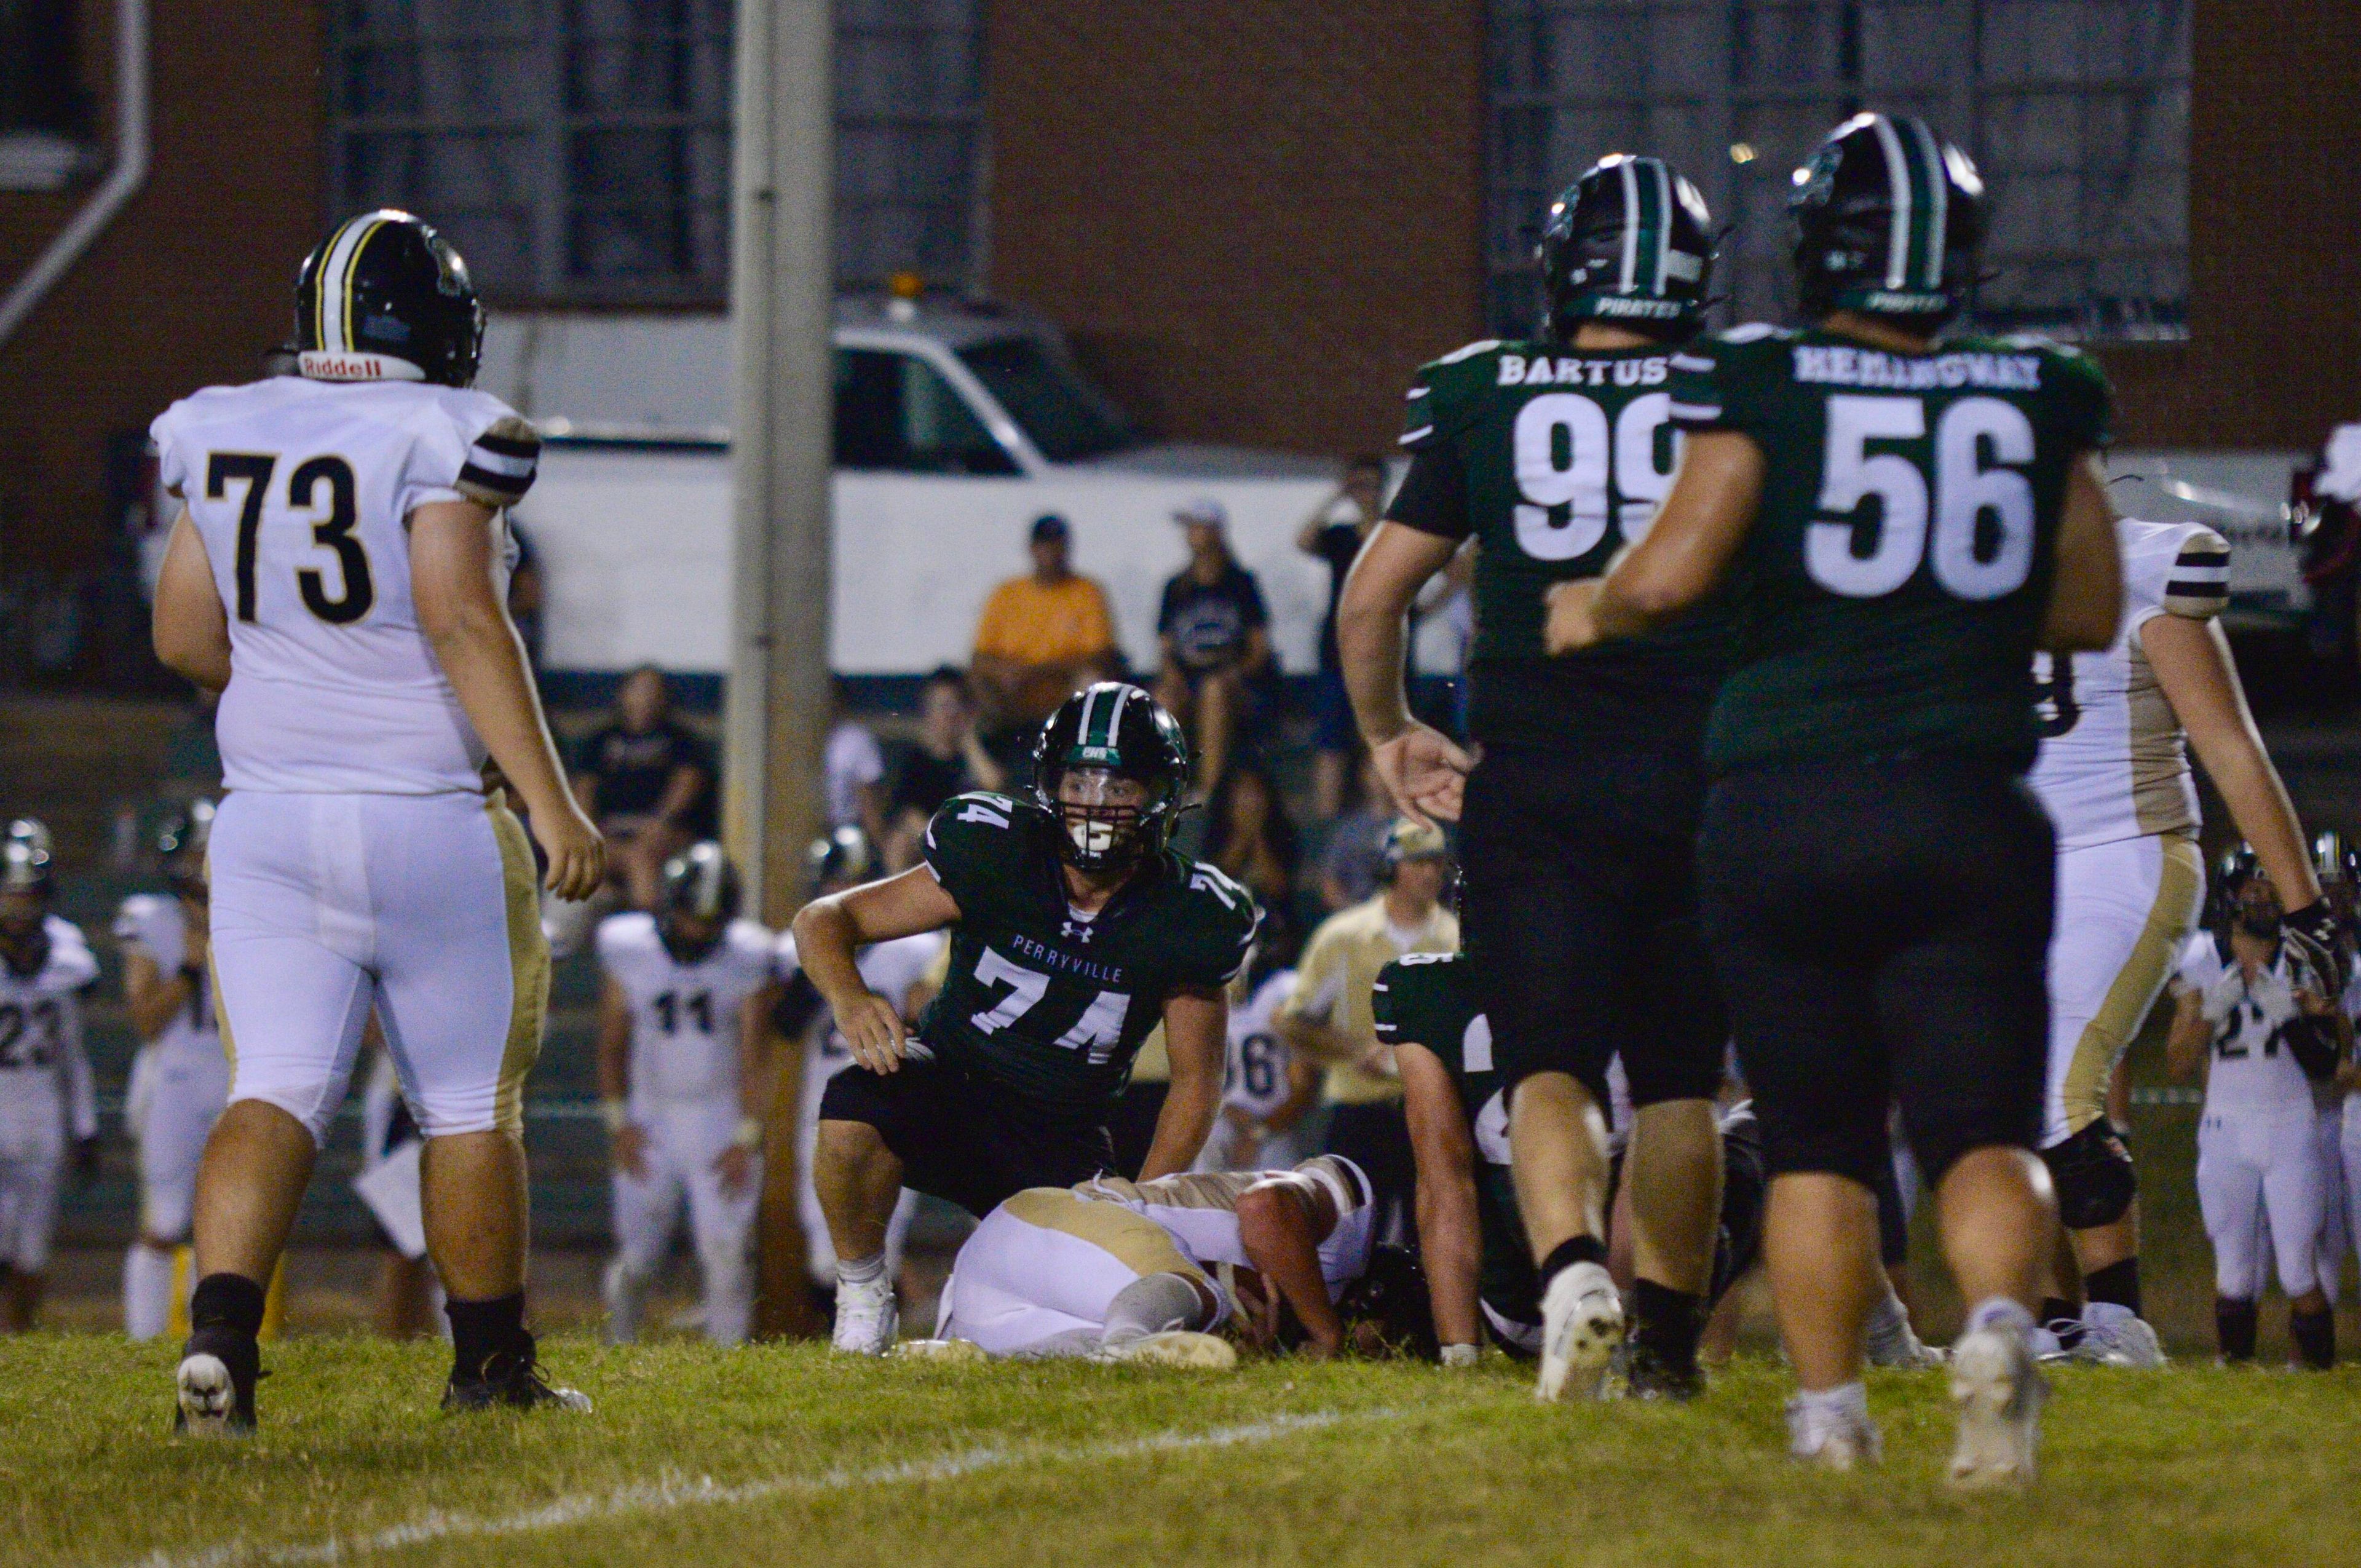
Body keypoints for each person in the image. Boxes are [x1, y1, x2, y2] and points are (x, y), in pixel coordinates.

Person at [1544, 114, 2137, 1479]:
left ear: (1826, 245)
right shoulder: (2041, 384)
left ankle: (1831, 1420)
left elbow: (1673, 573)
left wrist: (1595, 608)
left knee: (1816, 1139)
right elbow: (2092, 606)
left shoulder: (1765, 374)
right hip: (1968, 804)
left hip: (1787, 803)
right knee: (1984, 1126)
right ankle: (1996, 1323)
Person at [149, 210, 604, 1430]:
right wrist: (554, 801)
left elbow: (184, 635)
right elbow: (461, 616)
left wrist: (302, 711)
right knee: (467, 1104)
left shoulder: (224, 424)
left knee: (277, 1086)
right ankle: (489, 1369)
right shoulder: (450, 429)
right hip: (426, 822)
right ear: (437, 328)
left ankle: (220, 1348)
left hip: (266, 823)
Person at [1339, 156, 1734, 1405]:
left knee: (1546, 1058)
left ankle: (1571, 1278)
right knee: (1679, 1078)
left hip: (1540, 771)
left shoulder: (1483, 386)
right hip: (1702, 771)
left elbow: (1373, 594)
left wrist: (1387, 728)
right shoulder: (1744, 387)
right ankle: (1665, 1346)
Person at [794, 683, 1256, 1354]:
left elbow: (1195, 1083)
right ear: (1048, 783)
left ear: (1160, 796)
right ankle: (865, 1295)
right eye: (1079, 780)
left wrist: (1144, 1197)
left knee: (1089, 1301)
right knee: (850, 1109)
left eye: (1119, 786)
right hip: (950, 1081)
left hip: (1058, 1130)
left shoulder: (1189, 913)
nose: (1096, 805)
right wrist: (852, 997)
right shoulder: (998, 850)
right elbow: (824, 919)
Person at [2024, 512, 2327, 1367]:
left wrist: (2304, 907)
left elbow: (2231, 748)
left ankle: (2121, 1322)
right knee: (1999, 1098)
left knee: (2059, 1086)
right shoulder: (1955, 549)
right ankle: (2053, 1321)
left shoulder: (2146, 563)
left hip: (2124, 852)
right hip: (2003, 862)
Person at [1378, 949, 1787, 1371]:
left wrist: (1459, 1352)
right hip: (1638, 1270)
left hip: (1516, 1309)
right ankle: (1642, 1329)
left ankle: (1494, 1337)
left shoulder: (1426, 989)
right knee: (1719, 1143)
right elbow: (1652, 1154)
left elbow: (1443, 1183)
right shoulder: (1640, 969)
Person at [912, 1155, 1400, 1364]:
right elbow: (1266, 1208)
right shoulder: (1351, 1226)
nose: (1378, 1352)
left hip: (1001, 1299)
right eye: (1390, 1342)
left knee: (1133, 1351)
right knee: (1197, 1299)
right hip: (1050, 1222)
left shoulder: (1286, 1327)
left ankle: (957, 1356)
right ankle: (1128, 1345)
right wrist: (1327, 1332)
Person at [594, 844, 779, 1347]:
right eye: (690, 918)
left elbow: (754, 1054)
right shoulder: (629, 947)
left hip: (718, 1118)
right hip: (650, 1116)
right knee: (636, 1257)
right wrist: (618, 1123)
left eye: (709, 921)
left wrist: (746, 1135)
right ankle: (618, 1350)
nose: (698, 931)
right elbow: (611, 1044)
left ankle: (729, 1362)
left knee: (726, 1254)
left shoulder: (746, 955)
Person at [2168, 854, 2347, 1369]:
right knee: (2233, 1275)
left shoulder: (2306, 956)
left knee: (2297, 1272)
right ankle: (2235, 1378)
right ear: (2230, 898)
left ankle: (2315, 1379)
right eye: (2253, 891)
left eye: (2270, 891)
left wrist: (2302, 1012)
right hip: (2224, 1128)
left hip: (2292, 1125)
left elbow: (2330, 1056)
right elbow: (2179, 1062)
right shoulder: (2202, 956)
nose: (2264, 901)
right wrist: (2215, 1004)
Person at [775, 826, 941, 1299]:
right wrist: (820, 970)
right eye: (832, 885)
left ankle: (880, 1332)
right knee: (823, 1241)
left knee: (882, 1235)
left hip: (892, 1100)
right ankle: (848, 1338)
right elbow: (784, 1025)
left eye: (853, 884)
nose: (841, 895)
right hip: (824, 1106)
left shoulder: (914, 950)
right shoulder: (796, 951)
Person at [1276, 820, 1458, 1246]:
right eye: (1417, 864)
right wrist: (1359, 1049)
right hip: (1361, 1109)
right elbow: (1294, 1019)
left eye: (1435, 864)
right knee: (1351, 1239)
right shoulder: (1343, 937)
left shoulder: (1455, 938)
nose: (1429, 874)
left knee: (1434, 1237)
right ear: (1391, 868)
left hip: (1433, 1108)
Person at [117, 802, 231, 1342]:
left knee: (223, 1225)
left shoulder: (252, 912)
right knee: (164, 1221)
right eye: (195, 856)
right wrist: (190, 966)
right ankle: (142, 1341)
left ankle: (205, 1338)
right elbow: (146, 1021)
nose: (203, 867)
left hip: (235, 1079)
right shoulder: (152, 918)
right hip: (174, 1082)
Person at [0, 826, 98, 1333]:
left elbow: (73, 1058)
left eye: (27, 897)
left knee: (32, 1257)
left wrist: (84, 1126)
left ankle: (20, 1348)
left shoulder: (63, 956)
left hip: (42, 1120)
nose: (19, 909)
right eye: (11, 896)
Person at [970, 515, 1122, 762]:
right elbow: (980, 657)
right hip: (1015, 694)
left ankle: (1083, 759)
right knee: (980, 681)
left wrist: (1039, 672)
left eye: (1057, 544)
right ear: (1032, 548)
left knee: (1092, 680)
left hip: (1062, 691)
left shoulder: (1087, 592)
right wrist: (1008, 672)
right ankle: (998, 762)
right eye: (1044, 544)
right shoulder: (1006, 593)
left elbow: (1102, 654)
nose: (1051, 552)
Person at [1155, 499, 1274, 799]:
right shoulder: (1176, 586)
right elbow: (1166, 646)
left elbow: (1259, 647)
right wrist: (1172, 678)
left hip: (1235, 680)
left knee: (1214, 690)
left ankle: (1210, 792)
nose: (1190, 534)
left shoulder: (1241, 583)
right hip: (1189, 675)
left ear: (1215, 532)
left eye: (1197, 527)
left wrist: (1236, 673)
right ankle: (1167, 791)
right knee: (1162, 699)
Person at [574, 665, 716, 912]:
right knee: (582, 860)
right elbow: (584, 789)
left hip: (664, 832)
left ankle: (647, 924)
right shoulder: (601, 740)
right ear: (623, 695)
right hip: (608, 833)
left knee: (641, 857)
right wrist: (587, 832)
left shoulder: (682, 740)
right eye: (638, 690)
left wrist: (660, 821)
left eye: (653, 691)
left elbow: (688, 783)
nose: (646, 698)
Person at [1300, 456, 1389, 820]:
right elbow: (1304, 541)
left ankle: (1384, 815)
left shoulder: (1396, 536)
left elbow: (1455, 569)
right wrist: (1336, 495)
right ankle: (1328, 818)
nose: (1365, 494)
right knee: (1332, 740)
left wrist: (1425, 610)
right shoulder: (1341, 536)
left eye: (1371, 485)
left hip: (1387, 651)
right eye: (1359, 486)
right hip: (1340, 650)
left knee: (1381, 737)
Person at [1197, 956, 1317, 1173]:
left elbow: (1304, 1087)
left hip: (1276, 1132)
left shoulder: (1284, 990)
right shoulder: (1211, 991)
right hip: (1221, 1125)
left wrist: (1257, 1131)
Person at [884, 667, 1006, 870]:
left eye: (956, 706)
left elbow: (996, 787)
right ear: (929, 713)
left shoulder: (978, 753)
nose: (950, 715)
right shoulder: (917, 760)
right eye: (943, 707)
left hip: (972, 838)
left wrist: (968, 740)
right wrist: (939, 840)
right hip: (932, 838)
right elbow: (909, 813)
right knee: (899, 843)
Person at [1201, 765, 1299, 952]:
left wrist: (1257, 835)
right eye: (1242, 794)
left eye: (1255, 793)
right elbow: (1217, 881)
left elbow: (1279, 888)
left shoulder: (1283, 833)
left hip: (1274, 929)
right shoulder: (1216, 833)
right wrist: (1242, 836)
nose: (1249, 801)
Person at [1318, 754, 1393, 912]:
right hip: (1358, 918)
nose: (1381, 777)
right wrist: (1355, 917)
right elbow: (1330, 884)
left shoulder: (1415, 825)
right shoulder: (1348, 830)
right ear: (1364, 776)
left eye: (1387, 769)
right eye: (1375, 770)